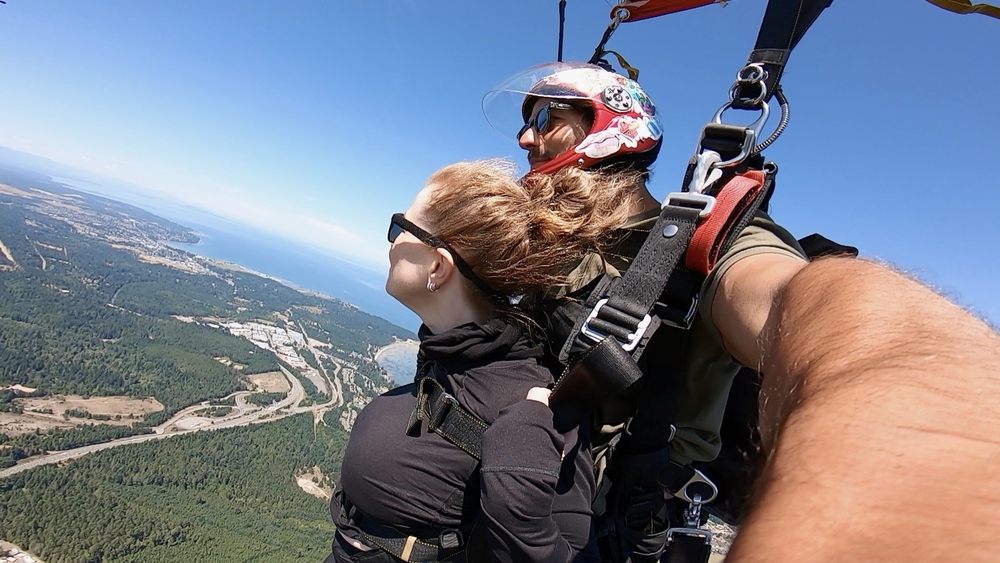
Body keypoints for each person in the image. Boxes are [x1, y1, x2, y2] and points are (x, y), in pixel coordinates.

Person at [488, 61, 1000, 562]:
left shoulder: (705, 247)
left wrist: (931, 463)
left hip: (597, 526)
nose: (525, 141)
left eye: (543, 120)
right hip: (516, 479)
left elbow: (797, 303)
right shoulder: (562, 243)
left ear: (606, 128)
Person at [326, 159, 644, 562]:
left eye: (399, 229)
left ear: (438, 267)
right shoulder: (451, 356)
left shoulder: (530, 404)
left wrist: (519, 496)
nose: (390, 243)